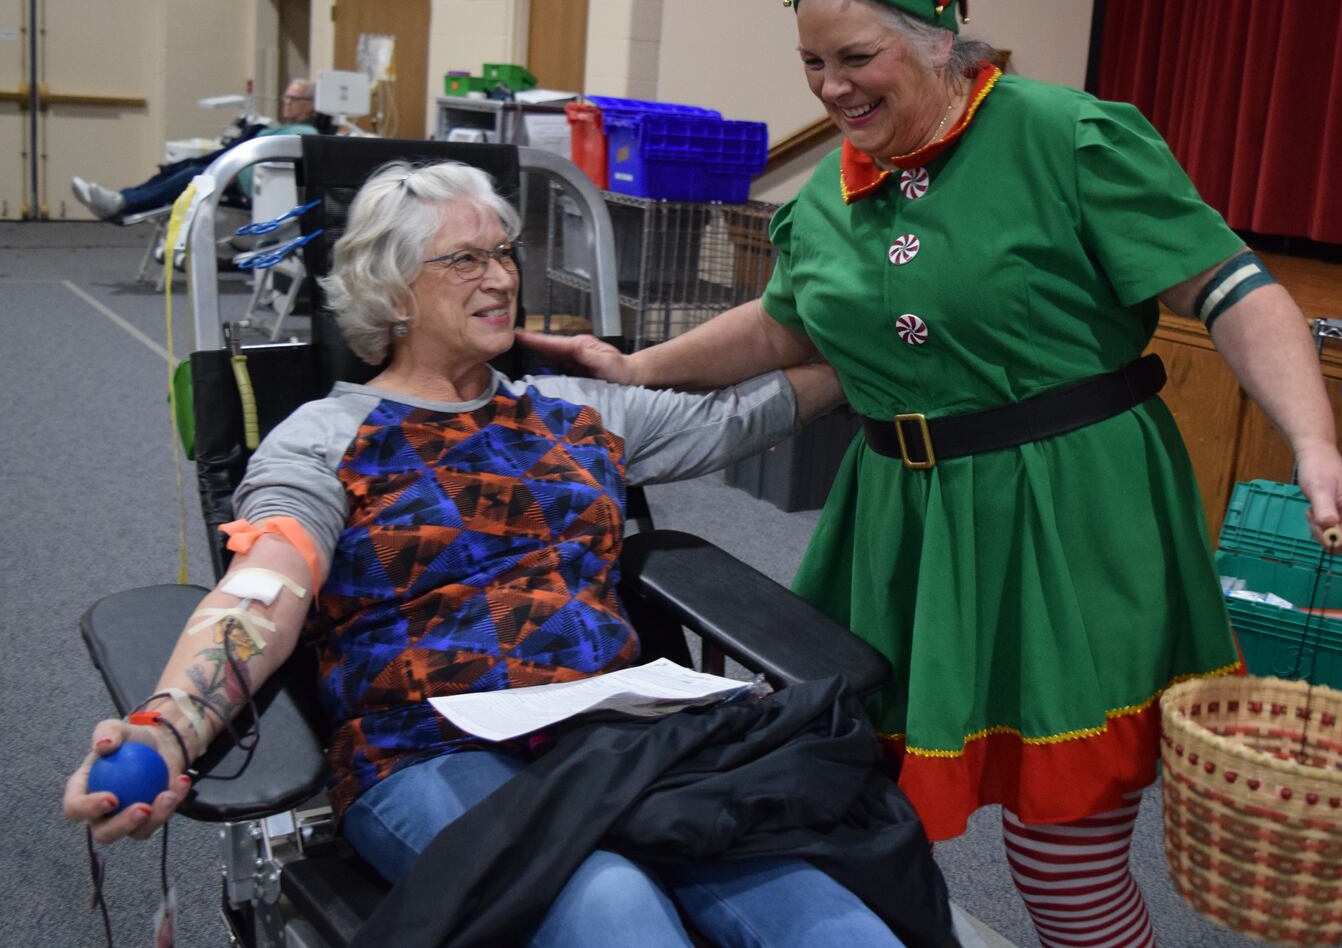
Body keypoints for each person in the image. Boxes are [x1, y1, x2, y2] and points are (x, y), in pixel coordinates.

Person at [517, 0, 1342, 946]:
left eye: (856, 58)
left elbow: (1231, 291)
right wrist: (640, 368)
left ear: (938, 43)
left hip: (1068, 516)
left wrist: (1311, 442)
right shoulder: (829, 195)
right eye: (812, 65)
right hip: (899, 528)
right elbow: (787, 329)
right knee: (859, 805)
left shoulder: (1064, 137)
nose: (832, 87)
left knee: (1061, 852)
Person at [62, 160, 928, 947]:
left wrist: (922, 346)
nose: (502, 276)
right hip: (427, 751)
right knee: (614, 911)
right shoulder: (325, 438)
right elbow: (263, 591)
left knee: (836, 928)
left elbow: (750, 412)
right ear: (394, 291)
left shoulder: (573, 411)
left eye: (505, 253)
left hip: (617, 743)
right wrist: (171, 726)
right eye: (465, 260)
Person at [71, 78, 335, 221]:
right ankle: (121, 199)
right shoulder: (277, 127)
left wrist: (234, 170)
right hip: (234, 170)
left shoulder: (306, 134)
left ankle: (123, 203)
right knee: (185, 167)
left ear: (310, 105)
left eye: (295, 98)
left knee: (192, 176)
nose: (287, 103)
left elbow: (270, 161)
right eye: (286, 97)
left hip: (246, 183)